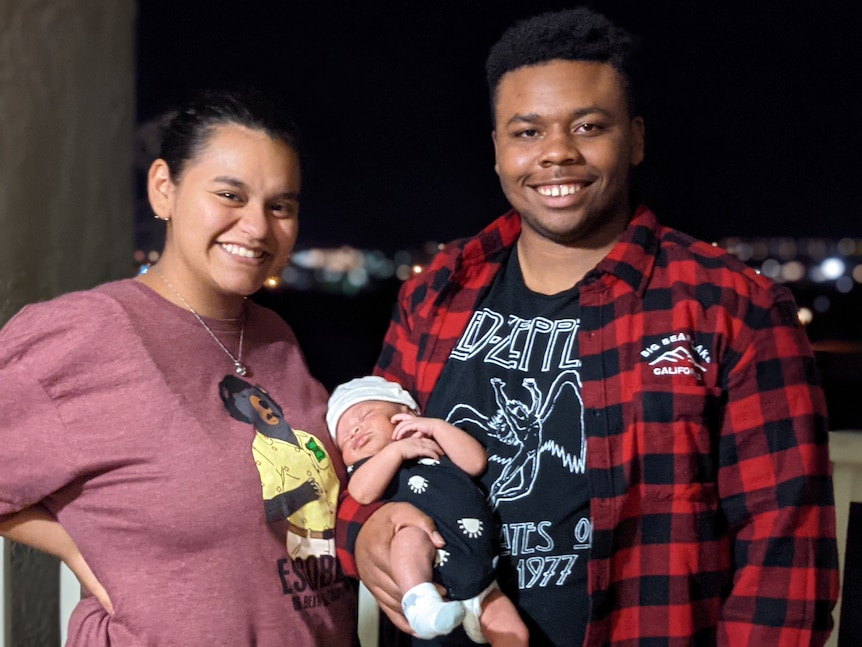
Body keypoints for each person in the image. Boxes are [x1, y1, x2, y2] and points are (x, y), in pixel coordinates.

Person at [335, 7, 840, 646]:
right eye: (526, 132)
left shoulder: (732, 308)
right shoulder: (435, 292)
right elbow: (361, 471)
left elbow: (786, 567)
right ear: (496, 150)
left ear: (634, 138)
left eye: (588, 126)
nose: (555, 153)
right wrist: (368, 535)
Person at [0, 89, 360, 645]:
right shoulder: (86, 333)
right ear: (164, 188)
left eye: (280, 205)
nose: (258, 227)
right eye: (229, 194)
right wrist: (75, 546)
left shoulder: (275, 336)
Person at [327, 376, 529, 645]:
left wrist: (435, 427)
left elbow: (475, 462)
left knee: (514, 632)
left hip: (479, 573)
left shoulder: (434, 444)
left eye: (364, 415)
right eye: (344, 437)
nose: (354, 431)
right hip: (432, 567)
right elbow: (362, 492)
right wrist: (396, 451)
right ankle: (421, 604)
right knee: (409, 538)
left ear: (405, 413)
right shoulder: (370, 468)